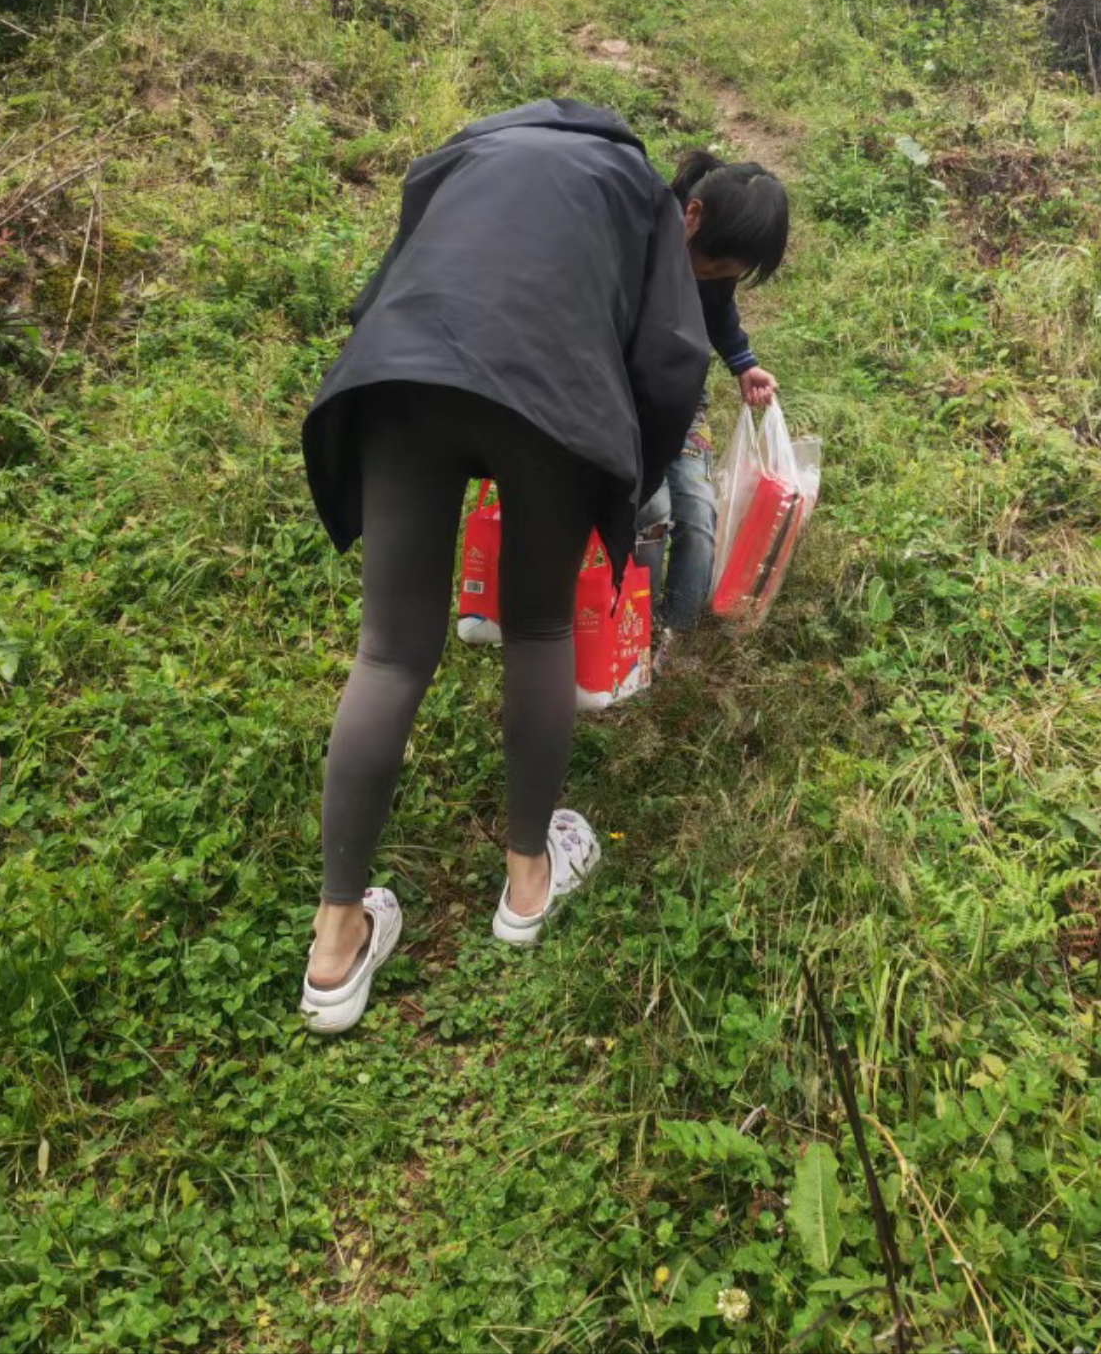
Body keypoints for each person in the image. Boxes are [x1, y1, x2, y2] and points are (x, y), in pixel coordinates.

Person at [297, 99, 711, 1033]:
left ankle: (334, 944)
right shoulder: (637, 185)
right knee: (538, 626)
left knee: (392, 652)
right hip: (551, 391)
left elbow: (389, 280)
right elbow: (671, 351)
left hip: (401, 371)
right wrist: (629, 471)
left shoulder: (462, 152)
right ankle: (528, 881)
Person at [636, 152, 789, 656]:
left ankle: (674, 636)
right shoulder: (640, 242)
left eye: (732, 273)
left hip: (683, 397)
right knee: (650, 512)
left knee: (699, 515)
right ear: (692, 215)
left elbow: (721, 317)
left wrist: (744, 364)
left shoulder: (713, 271)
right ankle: (630, 627)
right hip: (625, 396)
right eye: (717, 266)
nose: (717, 277)